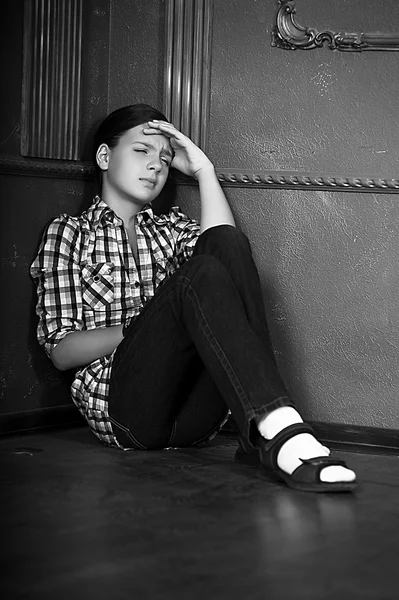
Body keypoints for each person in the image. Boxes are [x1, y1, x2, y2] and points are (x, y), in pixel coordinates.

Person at [31, 104, 357, 493]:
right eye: (142, 151)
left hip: (195, 416)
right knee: (196, 278)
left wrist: (204, 170)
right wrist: (143, 323)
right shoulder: (70, 233)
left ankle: (266, 433)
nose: (155, 166)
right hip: (128, 412)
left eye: (165, 159)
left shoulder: (170, 231)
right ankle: (282, 435)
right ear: (104, 156)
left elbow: (227, 256)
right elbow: (62, 350)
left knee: (224, 242)